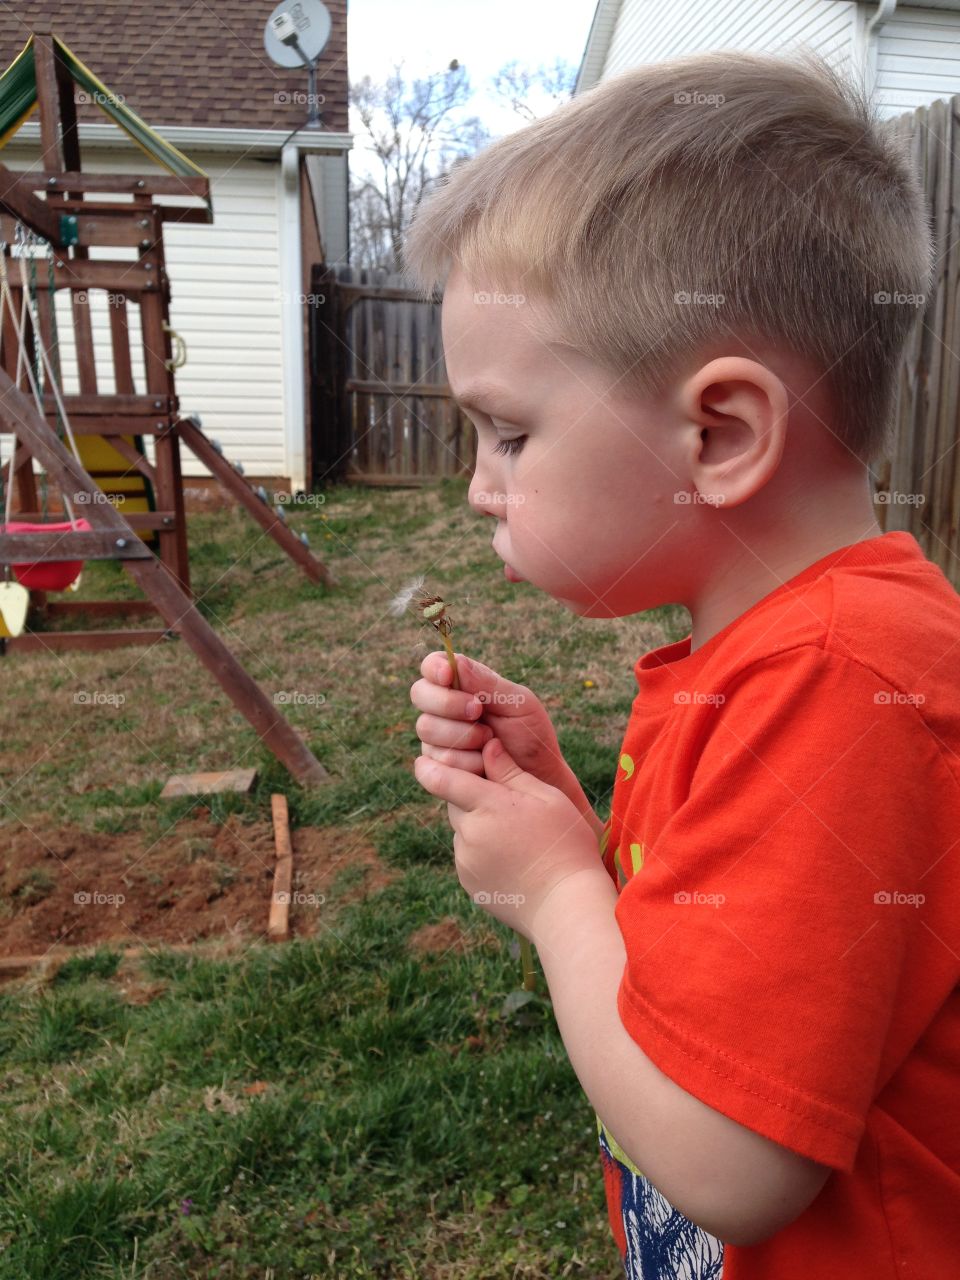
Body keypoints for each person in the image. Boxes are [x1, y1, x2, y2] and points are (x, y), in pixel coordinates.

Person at [402, 46, 960, 1278]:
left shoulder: (840, 687)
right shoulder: (777, 655)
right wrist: (566, 811)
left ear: (720, 433)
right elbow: (706, 948)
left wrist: (554, 895)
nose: (479, 488)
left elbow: (728, 1161)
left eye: (508, 433)